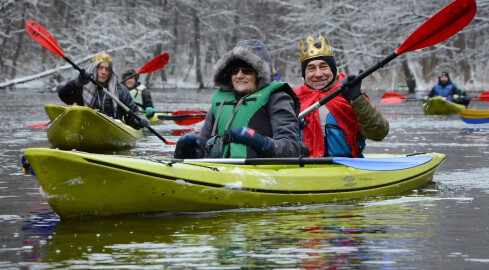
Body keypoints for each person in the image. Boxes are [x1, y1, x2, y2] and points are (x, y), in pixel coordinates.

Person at [174, 39, 304, 159]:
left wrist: (263, 143)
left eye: (247, 71)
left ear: (259, 74)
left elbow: (291, 147)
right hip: (218, 169)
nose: (239, 75)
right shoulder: (221, 100)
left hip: (259, 172)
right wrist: (186, 152)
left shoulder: (277, 97)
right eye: (234, 71)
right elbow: (203, 148)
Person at [294, 34, 389, 158]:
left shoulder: (350, 93)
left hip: (346, 167)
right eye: (311, 68)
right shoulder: (292, 99)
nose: (318, 74)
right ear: (304, 74)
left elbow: (379, 133)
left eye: (323, 67)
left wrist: (357, 100)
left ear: (333, 70)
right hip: (303, 168)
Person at [58, 52, 149, 130]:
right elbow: (64, 97)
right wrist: (76, 84)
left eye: (107, 69)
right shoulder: (81, 85)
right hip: (85, 127)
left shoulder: (121, 90)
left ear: (110, 71)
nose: (103, 72)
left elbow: (131, 115)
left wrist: (139, 119)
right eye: (100, 68)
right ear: (94, 69)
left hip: (112, 129)